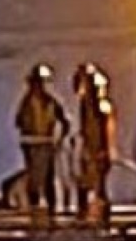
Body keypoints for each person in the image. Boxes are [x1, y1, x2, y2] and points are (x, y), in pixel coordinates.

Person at [15, 64, 68, 227]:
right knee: (34, 178)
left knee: (48, 178)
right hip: (32, 143)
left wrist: (58, 139)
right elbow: (19, 122)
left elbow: (64, 121)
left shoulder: (50, 102)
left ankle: (49, 211)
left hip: (45, 142)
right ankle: (35, 208)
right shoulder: (27, 102)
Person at [71, 63, 119, 224]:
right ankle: (87, 212)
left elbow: (105, 129)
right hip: (90, 148)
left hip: (97, 149)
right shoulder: (87, 105)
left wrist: (105, 149)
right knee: (87, 182)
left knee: (97, 184)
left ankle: (98, 213)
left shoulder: (100, 107)